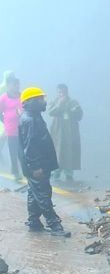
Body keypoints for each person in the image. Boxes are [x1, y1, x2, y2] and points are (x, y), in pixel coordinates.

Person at [19, 86, 70, 237]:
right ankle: (55, 226)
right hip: (37, 166)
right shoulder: (30, 120)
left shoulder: (33, 116)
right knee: (43, 194)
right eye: (40, 99)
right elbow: (30, 147)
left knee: (33, 192)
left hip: (38, 164)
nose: (44, 102)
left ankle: (34, 221)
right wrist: (35, 167)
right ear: (31, 102)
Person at [48, 84, 82, 182]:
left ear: (67, 92)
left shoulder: (73, 102)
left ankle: (69, 173)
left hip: (70, 132)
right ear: (57, 93)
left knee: (69, 151)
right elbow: (51, 112)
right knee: (57, 151)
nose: (62, 94)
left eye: (63, 92)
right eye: (60, 92)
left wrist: (73, 111)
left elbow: (79, 116)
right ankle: (56, 172)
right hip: (57, 131)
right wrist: (60, 104)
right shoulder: (54, 102)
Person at [0, 72, 23, 180]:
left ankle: (25, 171)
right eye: (14, 85)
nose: (16, 87)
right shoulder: (3, 98)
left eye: (17, 85)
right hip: (11, 129)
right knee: (13, 152)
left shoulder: (22, 96)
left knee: (23, 151)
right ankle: (15, 172)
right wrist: (5, 121)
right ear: (8, 85)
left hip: (23, 128)